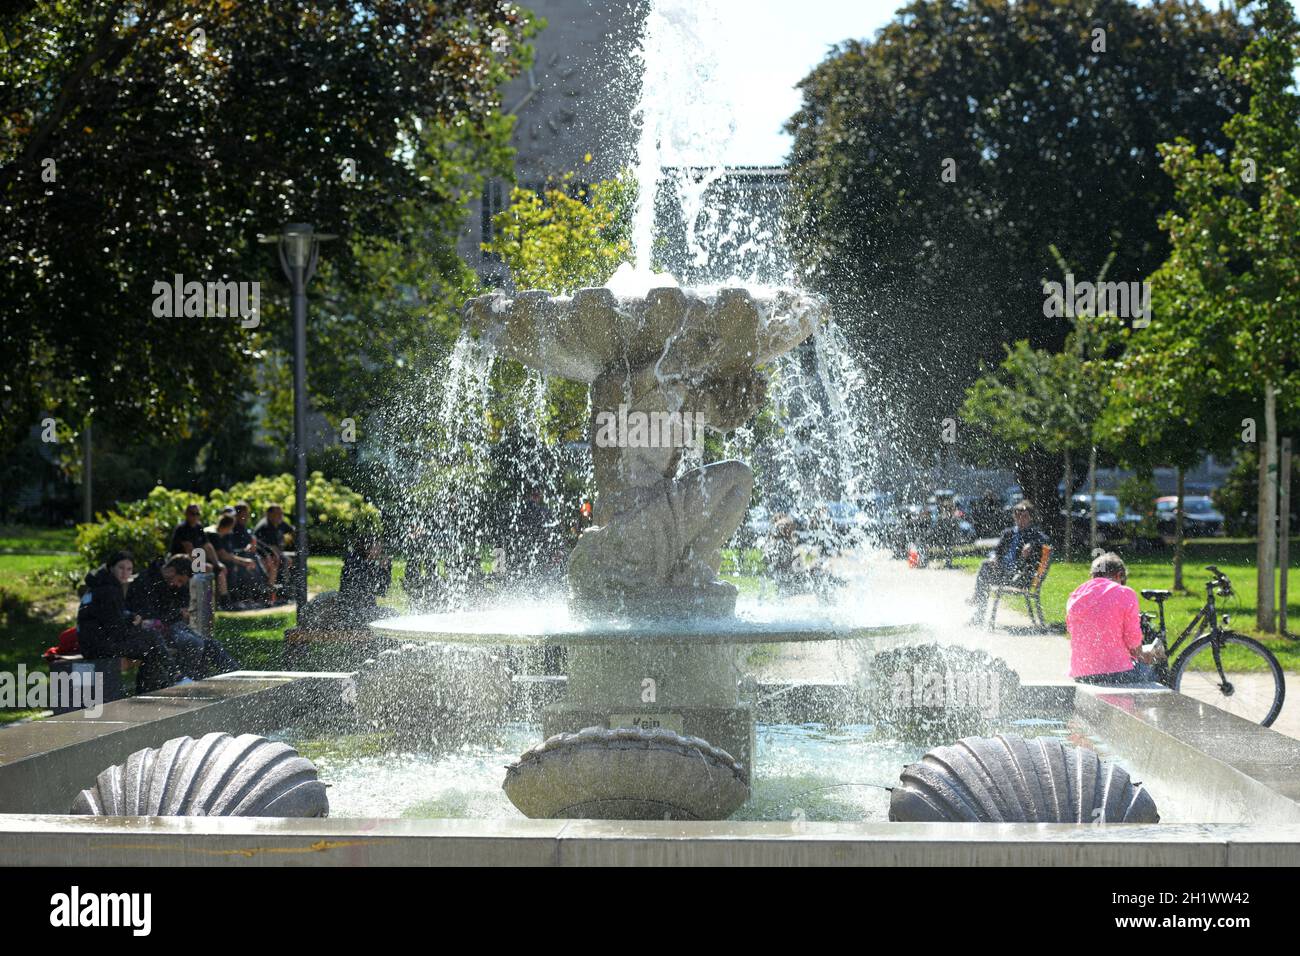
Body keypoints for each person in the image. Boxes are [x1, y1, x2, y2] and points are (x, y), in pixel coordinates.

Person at [76, 551, 181, 693]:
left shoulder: (102, 583)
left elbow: (110, 616)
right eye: (121, 568)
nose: (125, 573)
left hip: (94, 642)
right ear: (111, 567)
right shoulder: (108, 590)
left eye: (129, 569)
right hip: (97, 647)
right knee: (151, 642)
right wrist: (137, 627)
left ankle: (163, 683)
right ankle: (160, 686)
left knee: (150, 642)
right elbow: (116, 629)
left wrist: (130, 617)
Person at [127, 555, 240, 678]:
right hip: (153, 629)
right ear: (172, 571)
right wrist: (177, 613)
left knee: (210, 644)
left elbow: (180, 602)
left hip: (171, 624)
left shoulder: (169, 582)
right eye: (179, 580)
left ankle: (236, 675)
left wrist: (179, 610)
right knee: (193, 643)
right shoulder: (146, 581)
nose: (179, 585)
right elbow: (150, 615)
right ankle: (189, 682)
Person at [1066, 551, 1165, 685]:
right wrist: (1143, 655)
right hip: (1116, 672)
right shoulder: (1125, 593)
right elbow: (1132, 641)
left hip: (1081, 673)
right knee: (1154, 674)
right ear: (1119, 575)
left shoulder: (1076, 595)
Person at [967, 500, 1050, 623]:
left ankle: (977, 603)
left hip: (1018, 576)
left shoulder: (1034, 533)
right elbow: (996, 551)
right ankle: (979, 611)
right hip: (1003, 572)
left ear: (1030, 518)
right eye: (1017, 515)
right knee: (986, 566)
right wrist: (994, 558)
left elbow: (1046, 540)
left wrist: (1031, 544)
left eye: (1024, 515)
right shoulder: (1008, 533)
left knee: (984, 570)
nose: (1020, 518)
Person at [253, 503, 294, 593]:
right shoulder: (264, 526)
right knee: (280, 562)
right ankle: (273, 593)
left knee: (288, 560)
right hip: (264, 555)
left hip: (275, 553)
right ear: (269, 514)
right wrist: (275, 554)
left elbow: (292, 531)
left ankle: (284, 589)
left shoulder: (279, 522)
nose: (280, 516)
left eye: (281, 513)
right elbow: (263, 545)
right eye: (277, 513)